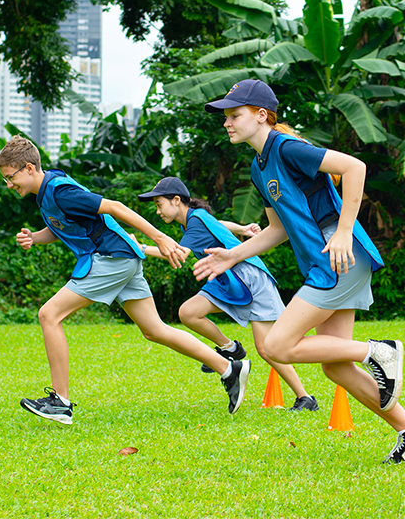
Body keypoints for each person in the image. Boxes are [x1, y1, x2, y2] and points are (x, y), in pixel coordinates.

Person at [195, 79, 405, 463]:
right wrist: (232, 255)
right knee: (336, 368)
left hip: (338, 256)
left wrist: (341, 231)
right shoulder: (260, 167)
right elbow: (277, 230)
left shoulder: (286, 148)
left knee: (275, 345)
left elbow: (355, 167)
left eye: (234, 115)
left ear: (261, 115)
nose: (227, 123)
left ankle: (379, 351)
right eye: (225, 117)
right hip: (327, 260)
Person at [0, 135, 251, 424]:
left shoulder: (61, 190)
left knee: (49, 315)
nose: (9, 184)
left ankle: (60, 402)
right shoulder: (47, 193)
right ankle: (229, 368)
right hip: (122, 259)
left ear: (29, 168)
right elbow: (63, 226)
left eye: (10, 177)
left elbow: (115, 207)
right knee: (155, 330)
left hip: (111, 258)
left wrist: (160, 237)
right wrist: (35, 238)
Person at [136, 176, 318, 411]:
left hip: (250, 279)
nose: (158, 211)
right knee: (189, 312)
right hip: (227, 279)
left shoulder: (196, 221)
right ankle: (231, 349)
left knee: (267, 348)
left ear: (176, 200)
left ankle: (305, 398)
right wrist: (241, 228)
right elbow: (218, 222)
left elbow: (178, 254)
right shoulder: (193, 219)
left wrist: (140, 248)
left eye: (159, 204)